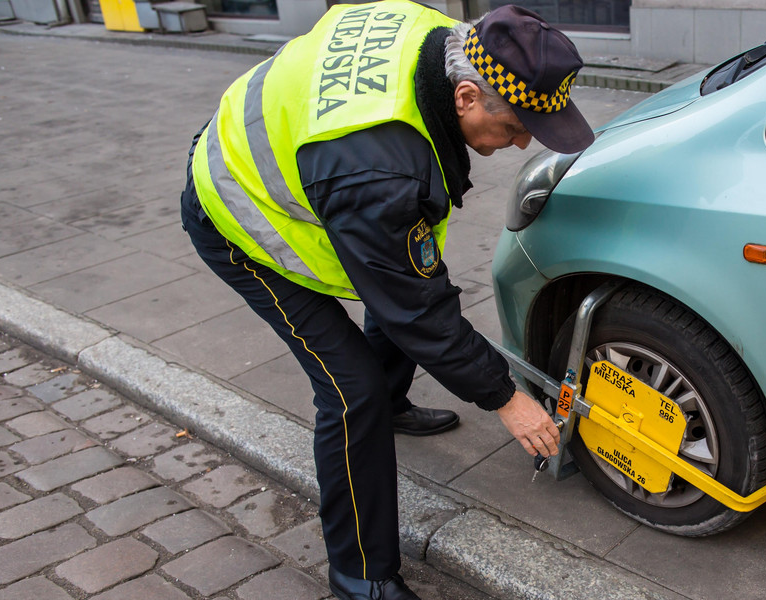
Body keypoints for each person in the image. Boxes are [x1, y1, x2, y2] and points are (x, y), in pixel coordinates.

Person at [178, 1, 594, 598]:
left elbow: (409, 289)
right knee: (352, 392)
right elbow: (416, 309)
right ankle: (359, 575)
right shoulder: (379, 173)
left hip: (308, 166)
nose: (522, 140)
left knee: (404, 288)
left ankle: (392, 403)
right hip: (239, 217)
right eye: (514, 127)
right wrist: (506, 398)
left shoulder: (439, 34)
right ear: (467, 97)